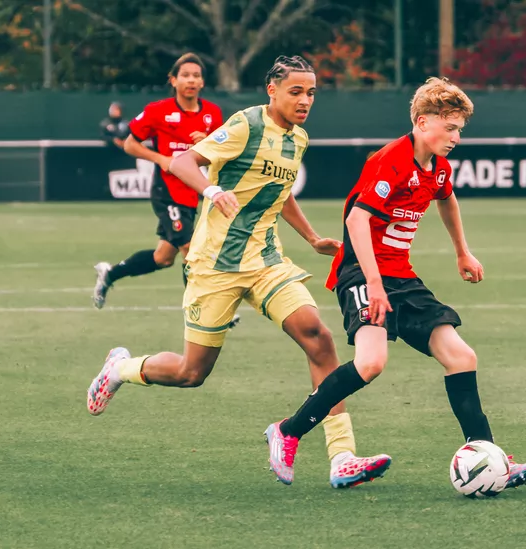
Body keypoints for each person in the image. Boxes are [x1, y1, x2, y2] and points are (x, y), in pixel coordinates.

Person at [86, 55, 391, 489]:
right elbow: (185, 162)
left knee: (319, 340)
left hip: (266, 261)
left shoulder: (298, 138)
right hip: (215, 267)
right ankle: (120, 369)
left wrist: (311, 238)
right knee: (192, 373)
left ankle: (342, 457)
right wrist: (212, 188)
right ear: (272, 90)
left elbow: (280, 194)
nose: (305, 100)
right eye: (296, 92)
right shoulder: (246, 124)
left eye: (311, 93)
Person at [262, 77, 526, 490]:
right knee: (371, 363)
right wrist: (373, 284)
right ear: (423, 122)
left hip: (400, 277)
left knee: (462, 357)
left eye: (460, 129)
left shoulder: (438, 168)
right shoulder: (390, 160)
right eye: (450, 128)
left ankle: (487, 454)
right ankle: (288, 431)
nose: (456, 137)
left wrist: (462, 251)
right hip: (361, 272)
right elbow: (357, 219)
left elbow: (446, 198)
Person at [92, 53, 223, 309]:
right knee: (191, 249)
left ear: (203, 82)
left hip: (193, 192)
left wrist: (206, 145)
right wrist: (160, 159)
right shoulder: (158, 111)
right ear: (173, 80)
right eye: (185, 75)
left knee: (163, 258)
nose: (191, 80)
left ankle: (110, 273)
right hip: (167, 191)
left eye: (196, 76)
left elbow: (219, 157)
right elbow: (130, 144)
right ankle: (202, 311)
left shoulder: (213, 115)